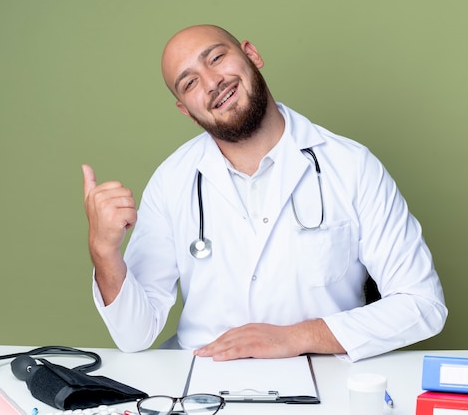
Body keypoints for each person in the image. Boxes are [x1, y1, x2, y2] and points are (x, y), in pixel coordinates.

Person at [82, 24, 447, 362]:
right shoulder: (172, 181)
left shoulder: (352, 166)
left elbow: (423, 304)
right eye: (190, 83)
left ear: (252, 55)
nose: (211, 83)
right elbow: (134, 335)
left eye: (217, 58)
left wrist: (299, 337)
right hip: (205, 381)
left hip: (322, 378)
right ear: (186, 111)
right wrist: (103, 250)